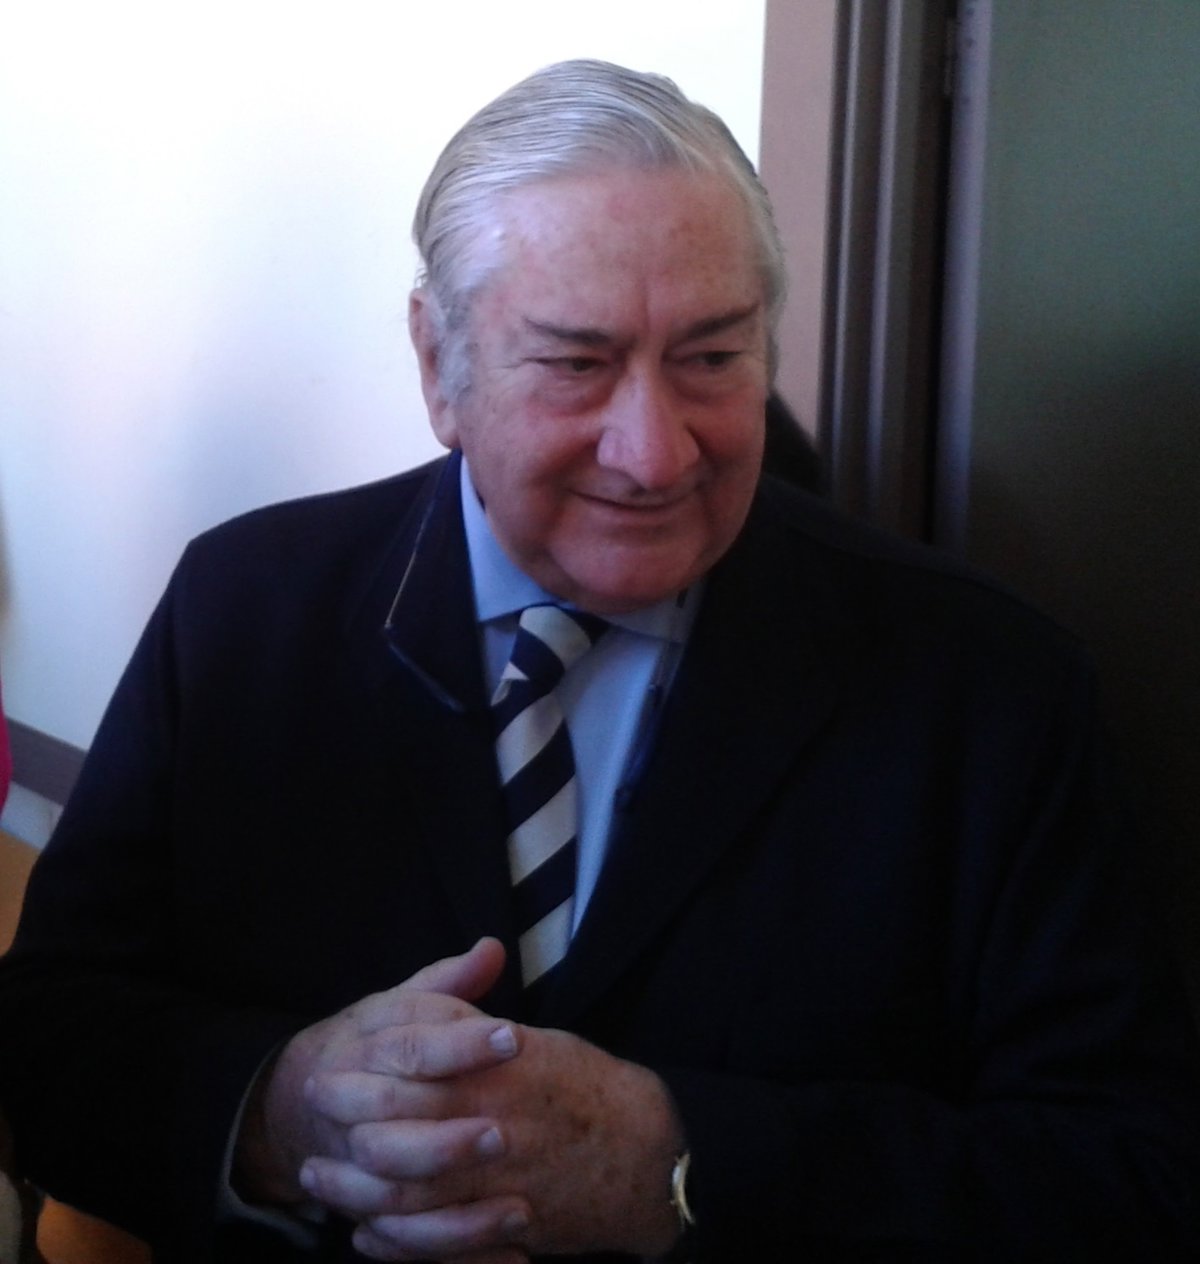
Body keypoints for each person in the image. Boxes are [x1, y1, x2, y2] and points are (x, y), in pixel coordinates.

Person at [1, 59, 1198, 1264]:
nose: (653, 452)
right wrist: (279, 1109)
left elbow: (1127, 1173)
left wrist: (677, 1166)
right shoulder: (244, 613)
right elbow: (47, 1043)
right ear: (439, 365)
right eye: (576, 364)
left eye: (712, 358)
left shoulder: (989, 687)